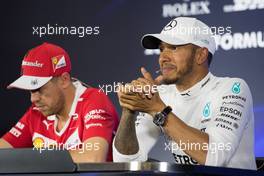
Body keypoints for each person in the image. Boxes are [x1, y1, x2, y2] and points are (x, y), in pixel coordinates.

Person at [113, 17, 256, 170]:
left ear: (200, 55)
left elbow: (214, 158)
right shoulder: (161, 96)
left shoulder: (233, 88)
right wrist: (130, 110)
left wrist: (158, 109)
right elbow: (125, 160)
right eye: (161, 49)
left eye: (174, 47)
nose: (163, 58)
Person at [0, 42, 119, 163]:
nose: (33, 99)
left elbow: (94, 158)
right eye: (31, 90)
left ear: (64, 80)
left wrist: (40, 157)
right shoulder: (36, 112)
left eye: (38, 89)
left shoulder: (94, 100)